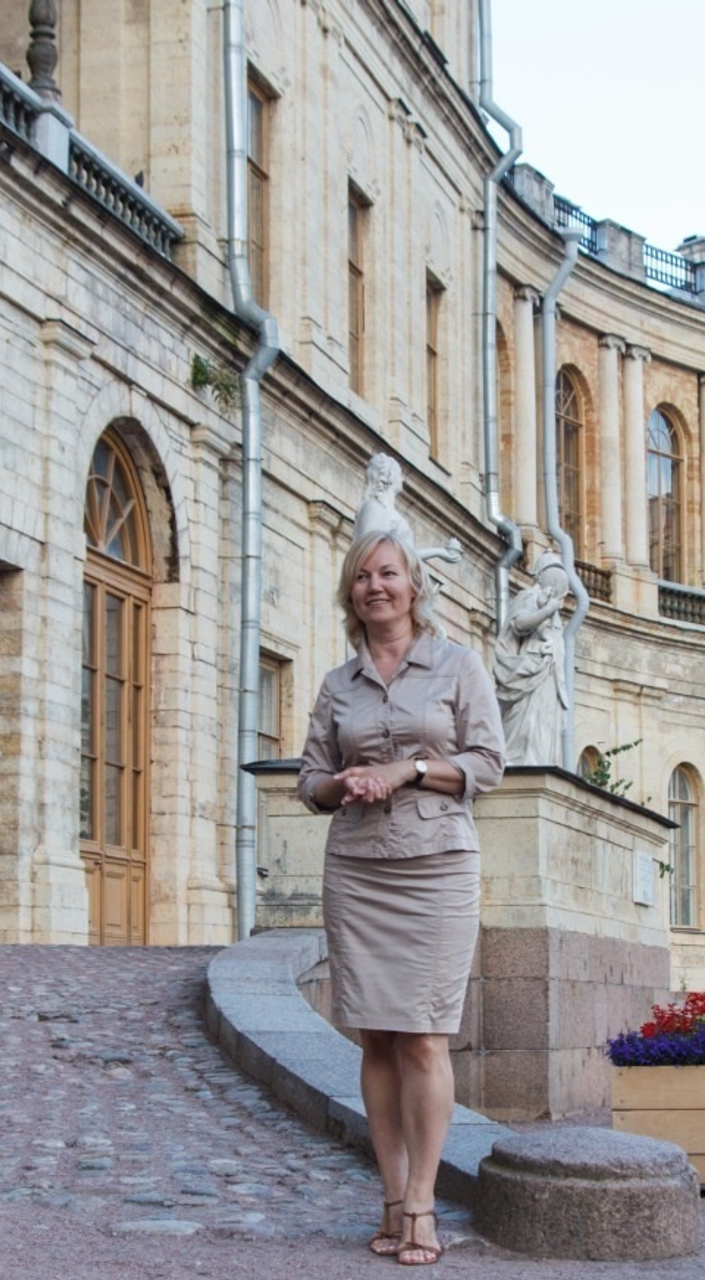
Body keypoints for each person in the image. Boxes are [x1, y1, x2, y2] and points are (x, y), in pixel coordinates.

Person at [298, 528, 505, 1266]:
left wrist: (409, 769)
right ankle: (390, 1198)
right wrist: (343, 782)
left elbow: (488, 763)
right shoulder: (338, 684)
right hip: (358, 868)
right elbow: (310, 781)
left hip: (436, 867)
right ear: (350, 594)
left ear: (414, 585)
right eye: (361, 577)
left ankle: (422, 1201)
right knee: (377, 1038)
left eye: (386, 573)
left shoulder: (458, 665)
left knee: (422, 1035)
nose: (374, 587)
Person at [492, 552, 571, 766]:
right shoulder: (528, 596)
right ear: (540, 575)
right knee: (524, 726)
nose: (556, 579)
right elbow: (519, 624)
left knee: (543, 728)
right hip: (528, 669)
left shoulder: (552, 606)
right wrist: (547, 610)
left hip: (547, 673)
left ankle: (539, 765)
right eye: (552, 573)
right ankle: (521, 765)